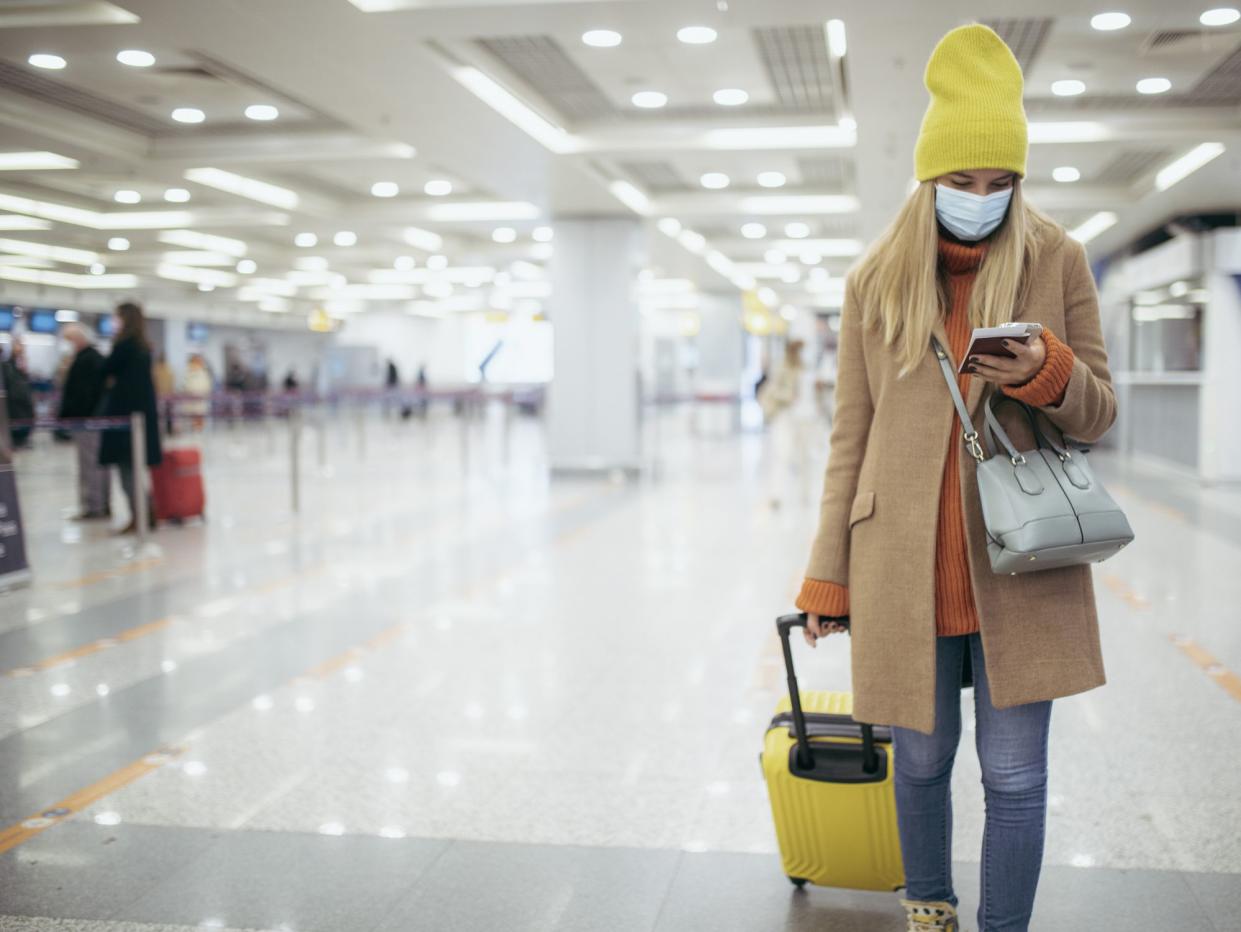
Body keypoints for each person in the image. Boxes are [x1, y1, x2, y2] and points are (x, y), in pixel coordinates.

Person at [794, 25, 1116, 932]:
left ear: (1018, 178)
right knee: (923, 762)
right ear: (927, 175)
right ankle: (928, 909)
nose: (980, 199)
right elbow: (847, 437)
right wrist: (827, 571)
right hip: (900, 562)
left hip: (1023, 561)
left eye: (999, 181)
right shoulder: (875, 283)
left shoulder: (1057, 258)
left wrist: (1045, 375)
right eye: (960, 181)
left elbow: (1098, 412)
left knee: (1015, 777)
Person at [98, 302, 162, 534]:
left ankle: (140, 516)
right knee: (134, 470)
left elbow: (105, 370)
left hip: (126, 419)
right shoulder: (143, 347)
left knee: (128, 471)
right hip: (141, 417)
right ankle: (146, 513)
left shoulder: (125, 346)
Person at [57, 325, 110, 519]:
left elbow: (81, 393)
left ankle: (93, 506)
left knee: (90, 464)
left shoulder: (86, 361)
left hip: (87, 420)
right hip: (96, 418)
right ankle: (102, 503)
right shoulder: (96, 359)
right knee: (99, 464)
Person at [2, 337, 34, 450]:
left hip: (23, 401)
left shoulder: (22, 363)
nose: (20, 348)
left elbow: (25, 382)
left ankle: (22, 439)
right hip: (14, 402)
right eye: (18, 345)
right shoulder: (7, 365)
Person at [182, 354, 212, 432]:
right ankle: (194, 430)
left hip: (200, 400)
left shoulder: (203, 373)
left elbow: (207, 386)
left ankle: (199, 430)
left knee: (200, 416)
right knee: (192, 417)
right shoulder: (187, 373)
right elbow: (184, 385)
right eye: (194, 361)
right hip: (190, 400)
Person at [152, 352, 175, 436]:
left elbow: (171, 381)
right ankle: (164, 430)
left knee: (167, 415)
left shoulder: (160, 369)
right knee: (162, 415)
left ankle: (168, 430)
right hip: (162, 395)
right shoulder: (157, 369)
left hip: (165, 394)